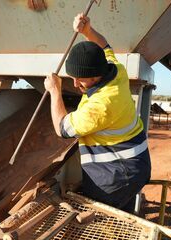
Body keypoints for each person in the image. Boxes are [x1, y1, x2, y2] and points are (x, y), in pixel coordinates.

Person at [44, 13, 151, 212]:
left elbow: (61, 128)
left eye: (80, 80)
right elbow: (105, 46)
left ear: (96, 76)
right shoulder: (116, 69)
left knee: (105, 220)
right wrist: (88, 31)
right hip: (134, 163)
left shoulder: (102, 105)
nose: (75, 85)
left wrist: (54, 91)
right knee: (123, 211)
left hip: (117, 175)